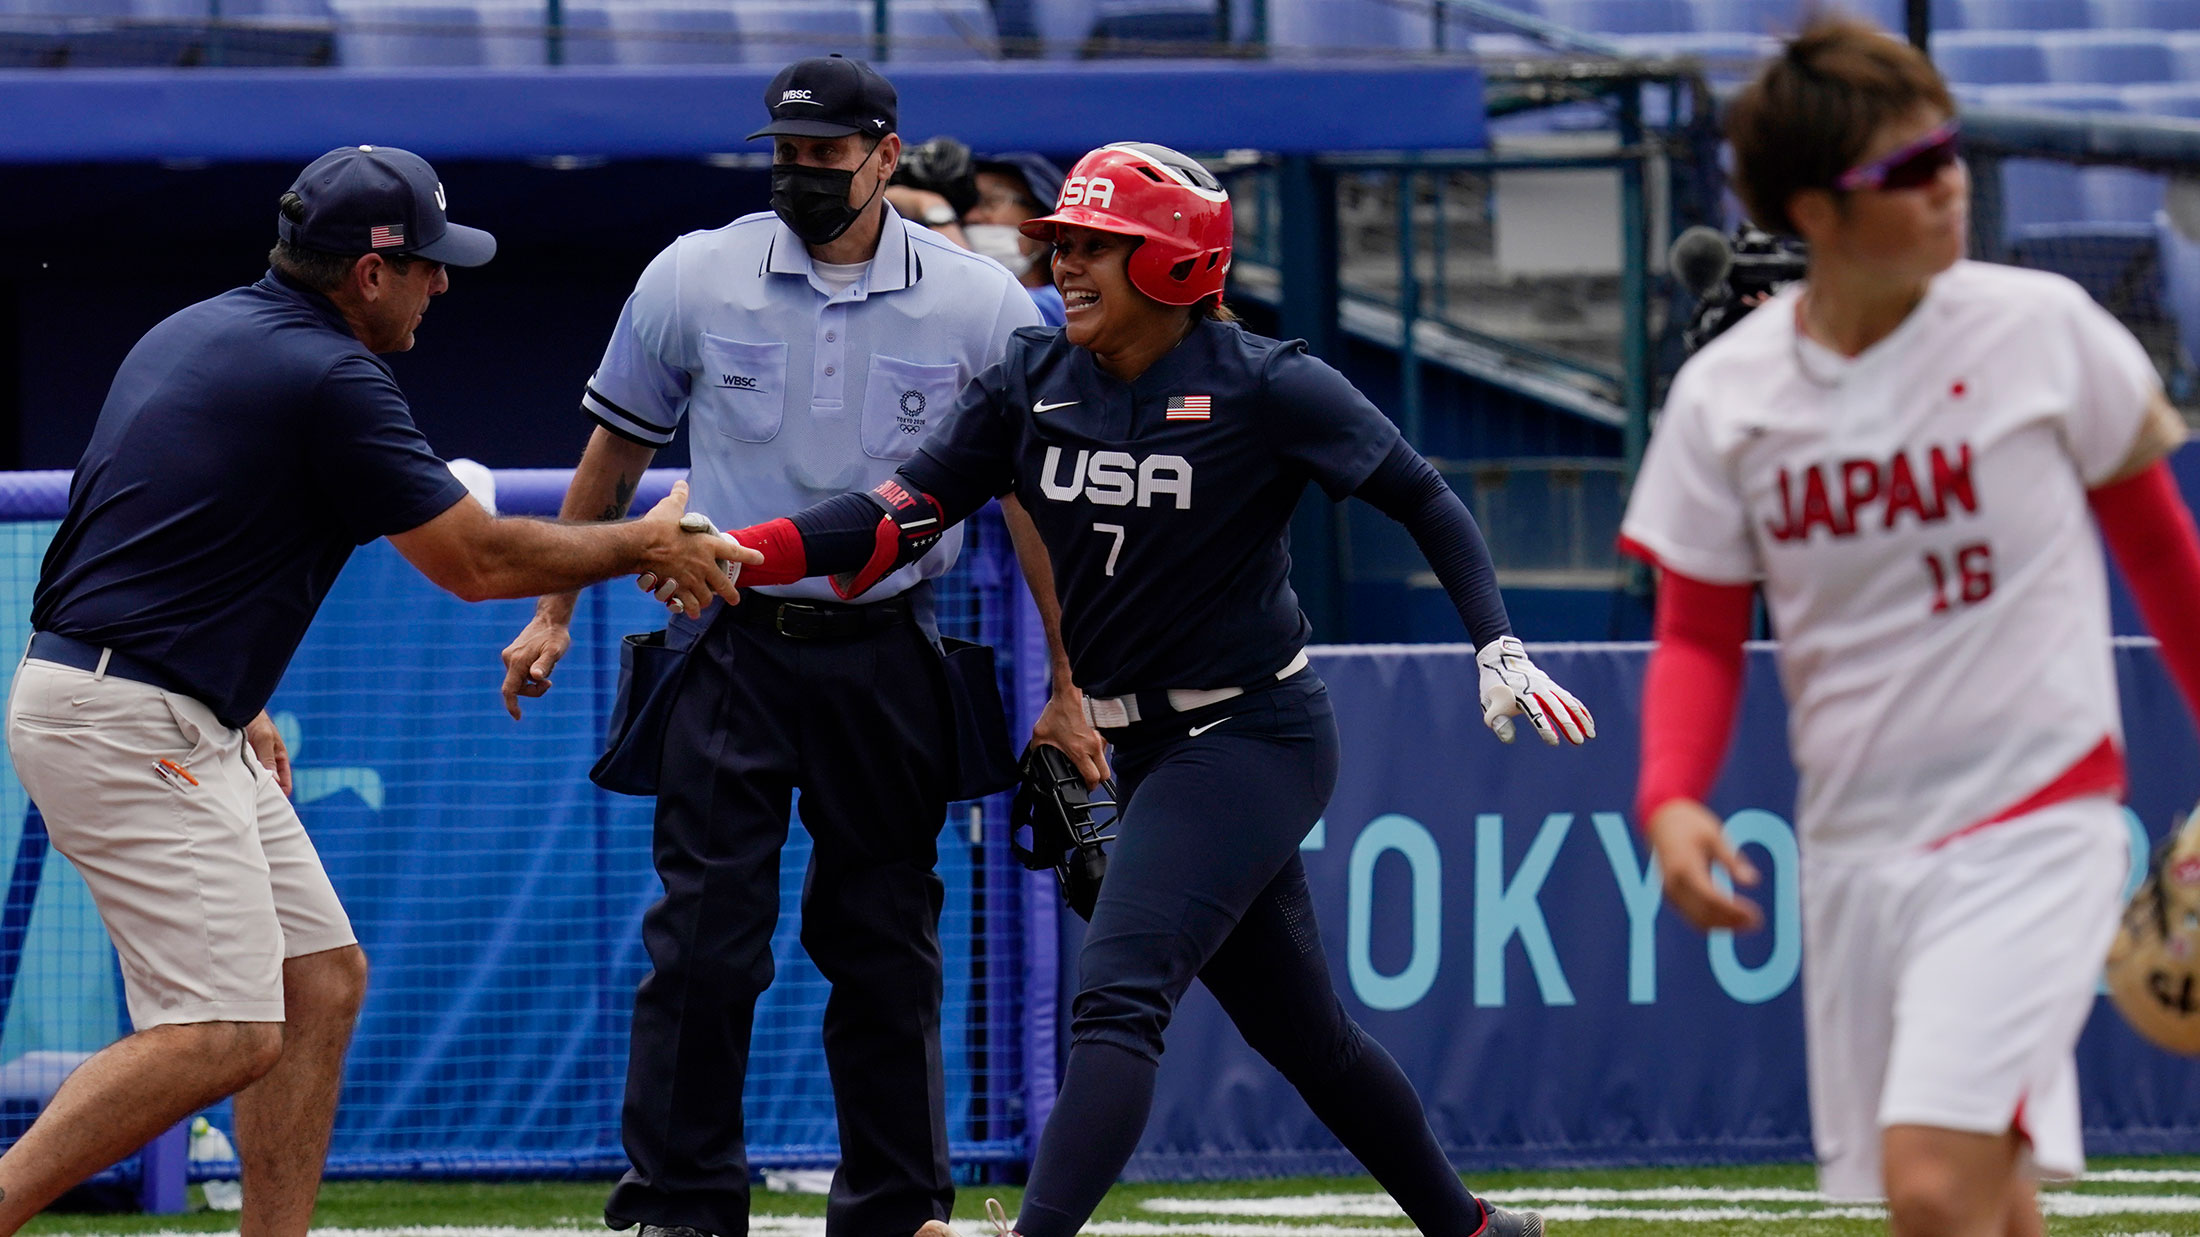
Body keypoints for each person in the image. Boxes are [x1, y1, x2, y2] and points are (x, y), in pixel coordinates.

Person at [703, 140, 1591, 1237]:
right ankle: (1472, 1229)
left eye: (1094, 247)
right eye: (1061, 244)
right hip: (1147, 747)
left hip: (1252, 733)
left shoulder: (1267, 384)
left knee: (1116, 996)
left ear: (1174, 266)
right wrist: (740, 546)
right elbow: (892, 515)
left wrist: (1495, 644)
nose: (1065, 265)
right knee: (1306, 1037)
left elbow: (1423, 497)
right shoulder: (1032, 381)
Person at [0, 145, 751, 1237]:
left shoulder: (204, 325)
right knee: (222, 1031)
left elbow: (136, 536)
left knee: (320, 981)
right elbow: (475, 564)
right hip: (128, 713)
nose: (441, 284)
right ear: (367, 273)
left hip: (153, 696)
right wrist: (643, 535)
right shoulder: (331, 375)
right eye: (429, 265)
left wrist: (233, 691)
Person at [1620, 18, 2200, 1237]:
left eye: (1946, 150)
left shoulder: (2041, 330)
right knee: (1980, 1197)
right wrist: (1670, 795)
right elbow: (1699, 633)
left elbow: (2161, 558)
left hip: (2036, 821)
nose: (1949, 183)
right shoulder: (1729, 397)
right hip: (1854, 855)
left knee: (1932, 1186)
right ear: (1814, 213)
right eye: (1907, 169)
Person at [495, 54, 1060, 1237]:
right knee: (701, 941)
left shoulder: (983, 305)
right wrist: (551, 608)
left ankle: (899, 1208)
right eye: (785, 154)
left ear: (885, 156)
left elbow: (1029, 512)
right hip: (728, 645)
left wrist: (1071, 681)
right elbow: (613, 452)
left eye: (825, 155)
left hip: (889, 650)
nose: (800, 174)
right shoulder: (694, 275)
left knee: (886, 945)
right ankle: (681, 1205)